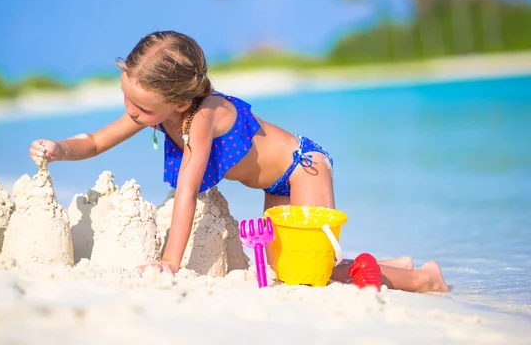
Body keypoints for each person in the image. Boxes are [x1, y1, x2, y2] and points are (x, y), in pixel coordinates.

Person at [29, 31, 449, 293]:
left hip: (303, 167)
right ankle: (393, 265)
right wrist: (59, 149)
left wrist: (170, 263)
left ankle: (424, 278)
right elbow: (97, 140)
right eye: (127, 98)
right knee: (290, 272)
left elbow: (188, 190)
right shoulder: (156, 110)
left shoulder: (203, 116)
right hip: (276, 185)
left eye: (140, 106)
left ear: (177, 100)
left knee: (310, 274)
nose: (131, 111)